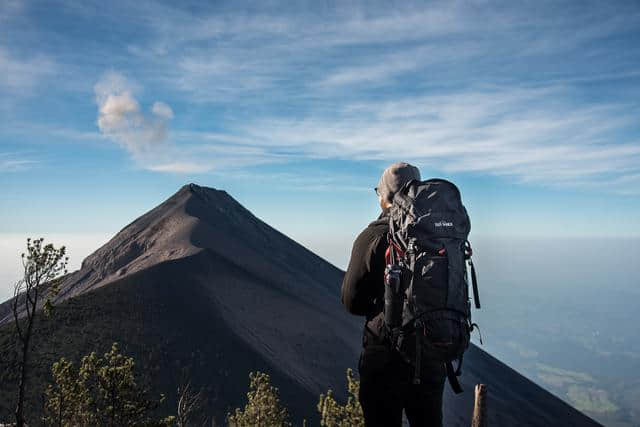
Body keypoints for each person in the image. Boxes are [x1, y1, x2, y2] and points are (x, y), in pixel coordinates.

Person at [341, 162, 446, 427]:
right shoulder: (438, 235)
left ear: (386, 197)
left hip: (386, 357)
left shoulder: (374, 236)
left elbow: (351, 301)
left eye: (379, 191)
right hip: (431, 354)